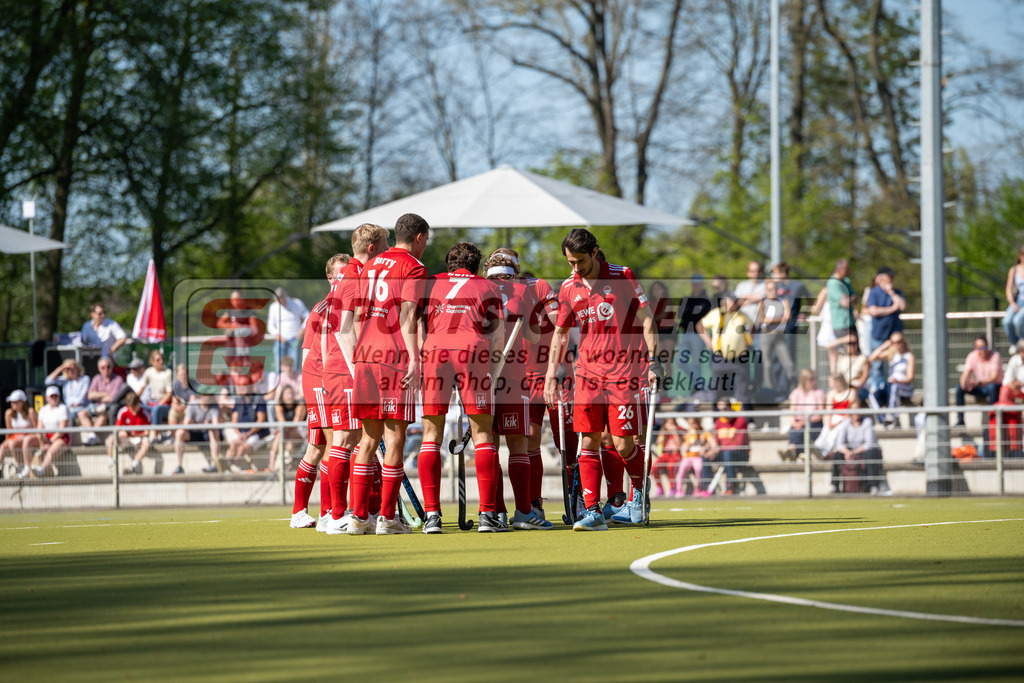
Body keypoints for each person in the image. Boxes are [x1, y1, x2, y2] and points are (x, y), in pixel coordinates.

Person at [543, 228, 661, 531]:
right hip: (587, 374)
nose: (576, 268)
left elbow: (647, 319)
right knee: (589, 440)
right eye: (570, 262)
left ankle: (639, 490)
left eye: (580, 261)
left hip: (624, 373)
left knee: (623, 445)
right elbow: (559, 333)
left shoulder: (622, 276)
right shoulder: (569, 288)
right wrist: (550, 375)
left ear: (595, 252)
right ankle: (593, 511)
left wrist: (654, 359)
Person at [342, 213, 430, 535]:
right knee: (394, 438)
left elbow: (353, 318)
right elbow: (408, 316)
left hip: (365, 356)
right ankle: (387, 519)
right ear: (419, 237)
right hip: (393, 358)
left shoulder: (367, 266)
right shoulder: (413, 266)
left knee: (367, 440)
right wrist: (415, 359)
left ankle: (358, 518)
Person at [415, 242, 505, 533]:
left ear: (449, 264)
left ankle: (432, 517)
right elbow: (499, 337)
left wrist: (423, 352)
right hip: (472, 349)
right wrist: (490, 370)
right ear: (477, 266)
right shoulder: (487, 286)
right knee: (482, 434)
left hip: (435, 350)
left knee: (431, 435)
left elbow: (416, 323)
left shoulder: (431, 283)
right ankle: (487, 516)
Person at [320, 225, 390, 534]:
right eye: (386, 244)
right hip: (345, 367)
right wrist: (355, 366)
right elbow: (342, 327)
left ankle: (360, 511)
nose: (389, 250)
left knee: (357, 441)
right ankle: (336, 515)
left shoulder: (355, 272)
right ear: (373, 247)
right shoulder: (354, 273)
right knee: (345, 440)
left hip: (342, 366)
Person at [485, 247, 544, 531]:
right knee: (517, 443)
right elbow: (533, 336)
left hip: (481, 375)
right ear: (515, 272)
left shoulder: (478, 289)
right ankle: (523, 512)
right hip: (513, 374)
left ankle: (494, 511)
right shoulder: (522, 292)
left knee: (489, 444)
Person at [290, 253, 349, 529]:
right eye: (339, 273)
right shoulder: (322, 308)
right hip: (322, 383)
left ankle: (302, 512)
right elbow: (306, 353)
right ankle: (327, 513)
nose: (345, 277)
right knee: (328, 446)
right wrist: (314, 391)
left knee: (318, 447)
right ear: (329, 277)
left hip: (329, 382)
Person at [831, 398, 891, 495]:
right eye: (854, 410)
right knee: (837, 455)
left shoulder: (867, 422)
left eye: (858, 409)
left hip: (865, 451)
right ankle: (835, 486)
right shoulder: (845, 423)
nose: (856, 413)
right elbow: (839, 444)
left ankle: (873, 486)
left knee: (871, 454)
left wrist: (853, 452)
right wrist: (847, 452)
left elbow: (869, 444)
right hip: (851, 451)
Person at [865, 266, 906, 394]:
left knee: (897, 364)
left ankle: (893, 391)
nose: (891, 280)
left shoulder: (896, 292)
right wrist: (891, 309)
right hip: (879, 336)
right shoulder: (874, 292)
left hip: (894, 338)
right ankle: (878, 392)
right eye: (889, 277)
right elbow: (873, 311)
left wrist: (892, 293)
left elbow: (902, 306)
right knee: (877, 366)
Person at [711, 397, 764, 495]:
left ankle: (731, 486)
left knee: (728, 453)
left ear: (730, 408)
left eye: (724, 409)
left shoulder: (740, 420)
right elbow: (716, 442)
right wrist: (711, 450)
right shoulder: (718, 422)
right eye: (719, 410)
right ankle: (707, 488)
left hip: (741, 454)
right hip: (725, 452)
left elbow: (737, 444)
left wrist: (720, 448)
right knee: (704, 457)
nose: (721, 412)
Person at [868, 332, 915, 428]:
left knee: (894, 387)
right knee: (873, 395)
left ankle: (892, 416)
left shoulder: (909, 356)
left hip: (904, 387)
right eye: (893, 343)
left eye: (898, 342)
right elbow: (872, 358)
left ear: (903, 342)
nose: (896, 345)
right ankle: (882, 419)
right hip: (891, 385)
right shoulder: (892, 354)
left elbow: (910, 377)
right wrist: (884, 346)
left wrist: (898, 381)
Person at [756, 278, 794, 398]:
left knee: (788, 364)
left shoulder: (783, 301)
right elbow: (762, 320)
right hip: (766, 335)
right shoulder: (763, 302)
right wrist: (779, 318)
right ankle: (769, 390)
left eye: (774, 289)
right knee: (767, 364)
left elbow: (787, 317)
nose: (772, 291)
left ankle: (793, 389)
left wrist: (771, 320)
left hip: (779, 336)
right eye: (769, 289)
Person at [733, 261, 767, 392]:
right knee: (743, 359)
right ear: (748, 272)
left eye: (757, 271)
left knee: (758, 359)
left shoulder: (764, 285)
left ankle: (757, 386)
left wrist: (744, 299)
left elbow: (761, 297)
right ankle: (744, 386)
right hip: (743, 330)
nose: (755, 274)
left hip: (758, 329)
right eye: (752, 271)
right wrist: (752, 299)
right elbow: (736, 302)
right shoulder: (741, 285)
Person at [955, 336, 1002, 426]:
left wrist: (977, 382)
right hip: (980, 387)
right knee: (959, 388)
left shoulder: (995, 355)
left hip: (994, 387)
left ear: (987, 346)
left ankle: (992, 418)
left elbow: (994, 378)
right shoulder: (972, 356)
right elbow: (965, 374)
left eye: (984, 347)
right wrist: (964, 383)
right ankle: (960, 420)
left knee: (992, 387)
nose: (983, 350)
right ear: (975, 348)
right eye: (979, 348)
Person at [225, 378, 270, 472]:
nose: (242, 388)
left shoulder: (258, 399)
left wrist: (249, 433)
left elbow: (261, 420)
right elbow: (234, 420)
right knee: (233, 445)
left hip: (256, 434)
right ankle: (227, 465)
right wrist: (238, 434)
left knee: (242, 448)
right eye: (240, 386)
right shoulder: (239, 400)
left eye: (244, 385)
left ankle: (234, 467)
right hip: (241, 433)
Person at [780, 369, 826, 461]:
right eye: (811, 379)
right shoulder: (796, 393)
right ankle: (794, 451)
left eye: (814, 378)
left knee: (802, 431)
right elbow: (792, 413)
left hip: (814, 422)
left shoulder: (819, 393)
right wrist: (795, 423)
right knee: (796, 429)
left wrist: (805, 421)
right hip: (799, 423)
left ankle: (793, 451)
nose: (814, 381)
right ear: (804, 380)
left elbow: (820, 414)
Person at [45, 359, 95, 445]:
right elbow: (48, 381)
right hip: (69, 408)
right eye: (67, 369)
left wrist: (74, 406)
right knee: (63, 415)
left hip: (82, 407)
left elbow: (82, 398)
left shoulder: (85, 379)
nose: (70, 371)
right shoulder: (65, 380)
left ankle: (91, 435)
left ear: (78, 368)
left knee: (75, 414)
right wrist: (62, 367)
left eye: (72, 368)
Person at [173, 392, 221, 475]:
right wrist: (201, 423)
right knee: (179, 433)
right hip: (195, 432)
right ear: (201, 395)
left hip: (208, 434)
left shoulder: (214, 405)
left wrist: (206, 425)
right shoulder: (192, 405)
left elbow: (215, 424)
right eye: (208, 395)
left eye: (211, 395)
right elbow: (186, 424)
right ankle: (179, 466)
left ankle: (214, 465)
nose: (210, 398)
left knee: (214, 431)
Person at [266, 286, 309, 373]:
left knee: (294, 366)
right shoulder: (273, 307)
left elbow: (308, 316)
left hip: (294, 339)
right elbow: (270, 325)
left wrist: (302, 329)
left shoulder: (297, 303)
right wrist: (276, 334)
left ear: (284, 297)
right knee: (279, 366)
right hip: (280, 340)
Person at [109, 391, 152, 475]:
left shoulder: (145, 413)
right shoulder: (123, 411)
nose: (132, 410)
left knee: (147, 442)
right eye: (130, 407)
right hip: (126, 438)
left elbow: (147, 433)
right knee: (111, 438)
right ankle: (111, 462)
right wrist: (124, 433)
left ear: (138, 404)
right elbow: (116, 429)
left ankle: (134, 463)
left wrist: (136, 434)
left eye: (134, 407)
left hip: (138, 439)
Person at [2, 390, 40, 479]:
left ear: (23, 402)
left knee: (15, 443)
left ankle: (23, 468)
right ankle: (18, 466)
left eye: (15, 402)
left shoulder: (30, 412)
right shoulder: (9, 413)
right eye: (12, 402)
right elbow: (9, 432)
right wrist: (5, 443)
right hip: (16, 438)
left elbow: (37, 429)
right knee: (3, 447)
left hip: (30, 438)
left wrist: (24, 434)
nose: (13, 404)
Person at [674, 416, 716, 497]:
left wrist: (705, 447)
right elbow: (684, 448)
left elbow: (713, 443)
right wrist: (690, 440)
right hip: (687, 456)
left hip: (698, 457)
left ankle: (698, 489)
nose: (692, 426)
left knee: (698, 469)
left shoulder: (704, 433)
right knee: (681, 470)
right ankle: (679, 490)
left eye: (694, 424)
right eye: (690, 424)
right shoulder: (688, 434)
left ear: (698, 423)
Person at [84, 357, 123, 442]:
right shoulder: (96, 378)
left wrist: (98, 395)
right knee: (81, 413)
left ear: (112, 367)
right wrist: (105, 394)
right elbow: (90, 395)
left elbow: (113, 398)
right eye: (103, 367)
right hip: (96, 406)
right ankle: (92, 434)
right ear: (99, 369)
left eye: (108, 367)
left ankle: (92, 435)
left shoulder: (118, 379)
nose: (106, 369)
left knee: (103, 417)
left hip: (108, 408)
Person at [35, 385, 70, 477]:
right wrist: (43, 440)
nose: (54, 398)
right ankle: (27, 469)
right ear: (47, 398)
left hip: (62, 438)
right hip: (48, 438)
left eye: (56, 396)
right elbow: (40, 428)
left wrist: (50, 442)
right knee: (34, 445)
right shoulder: (43, 409)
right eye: (51, 396)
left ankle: (42, 468)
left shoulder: (63, 408)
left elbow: (62, 429)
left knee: (51, 450)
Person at [269, 385, 306, 472]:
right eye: (287, 394)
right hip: (285, 432)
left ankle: (286, 464)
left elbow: (295, 424)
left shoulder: (300, 405)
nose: (289, 396)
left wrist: (282, 428)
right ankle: (272, 465)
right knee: (280, 437)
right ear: (282, 396)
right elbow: (282, 422)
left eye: (291, 394)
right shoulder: (279, 406)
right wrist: (282, 428)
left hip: (299, 432)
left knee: (282, 435)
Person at [139, 350, 173, 441]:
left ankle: (154, 435)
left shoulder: (167, 373)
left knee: (156, 409)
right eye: (158, 360)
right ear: (152, 362)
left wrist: (159, 403)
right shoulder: (149, 372)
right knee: (138, 407)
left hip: (164, 404)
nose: (161, 362)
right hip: (152, 403)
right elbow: (142, 387)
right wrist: (134, 400)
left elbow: (169, 394)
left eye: (162, 359)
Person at [825, 259, 858, 348]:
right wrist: (850, 300)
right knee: (845, 354)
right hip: (841, 326)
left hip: (851, 323)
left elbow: (855, 297)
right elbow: (845, 303)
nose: (848, 271)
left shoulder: (846, 281)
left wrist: (849, 299)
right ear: (838, 269)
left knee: (855, 353)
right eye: (846, 269)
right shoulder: (833, 283)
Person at [835, 337, 870, 403]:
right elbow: (828, 346)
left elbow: (865, 376)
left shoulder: (863, 358)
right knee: (831, 395)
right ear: (845, 345)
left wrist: (854, 387)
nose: (852, 346)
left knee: (852, 395)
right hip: (842, 387)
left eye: (854, 343)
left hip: (857, 387)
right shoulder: (841, 358)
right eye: (849, 343)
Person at [1003, 245, 1024, 347]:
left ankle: (1021, 343)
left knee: (1017, 321)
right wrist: (1012, 303)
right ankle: (1014, 343)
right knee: (1007, 321)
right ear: (1020, 256)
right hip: (1018, 301)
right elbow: (1008, 289)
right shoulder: (1014, 270)